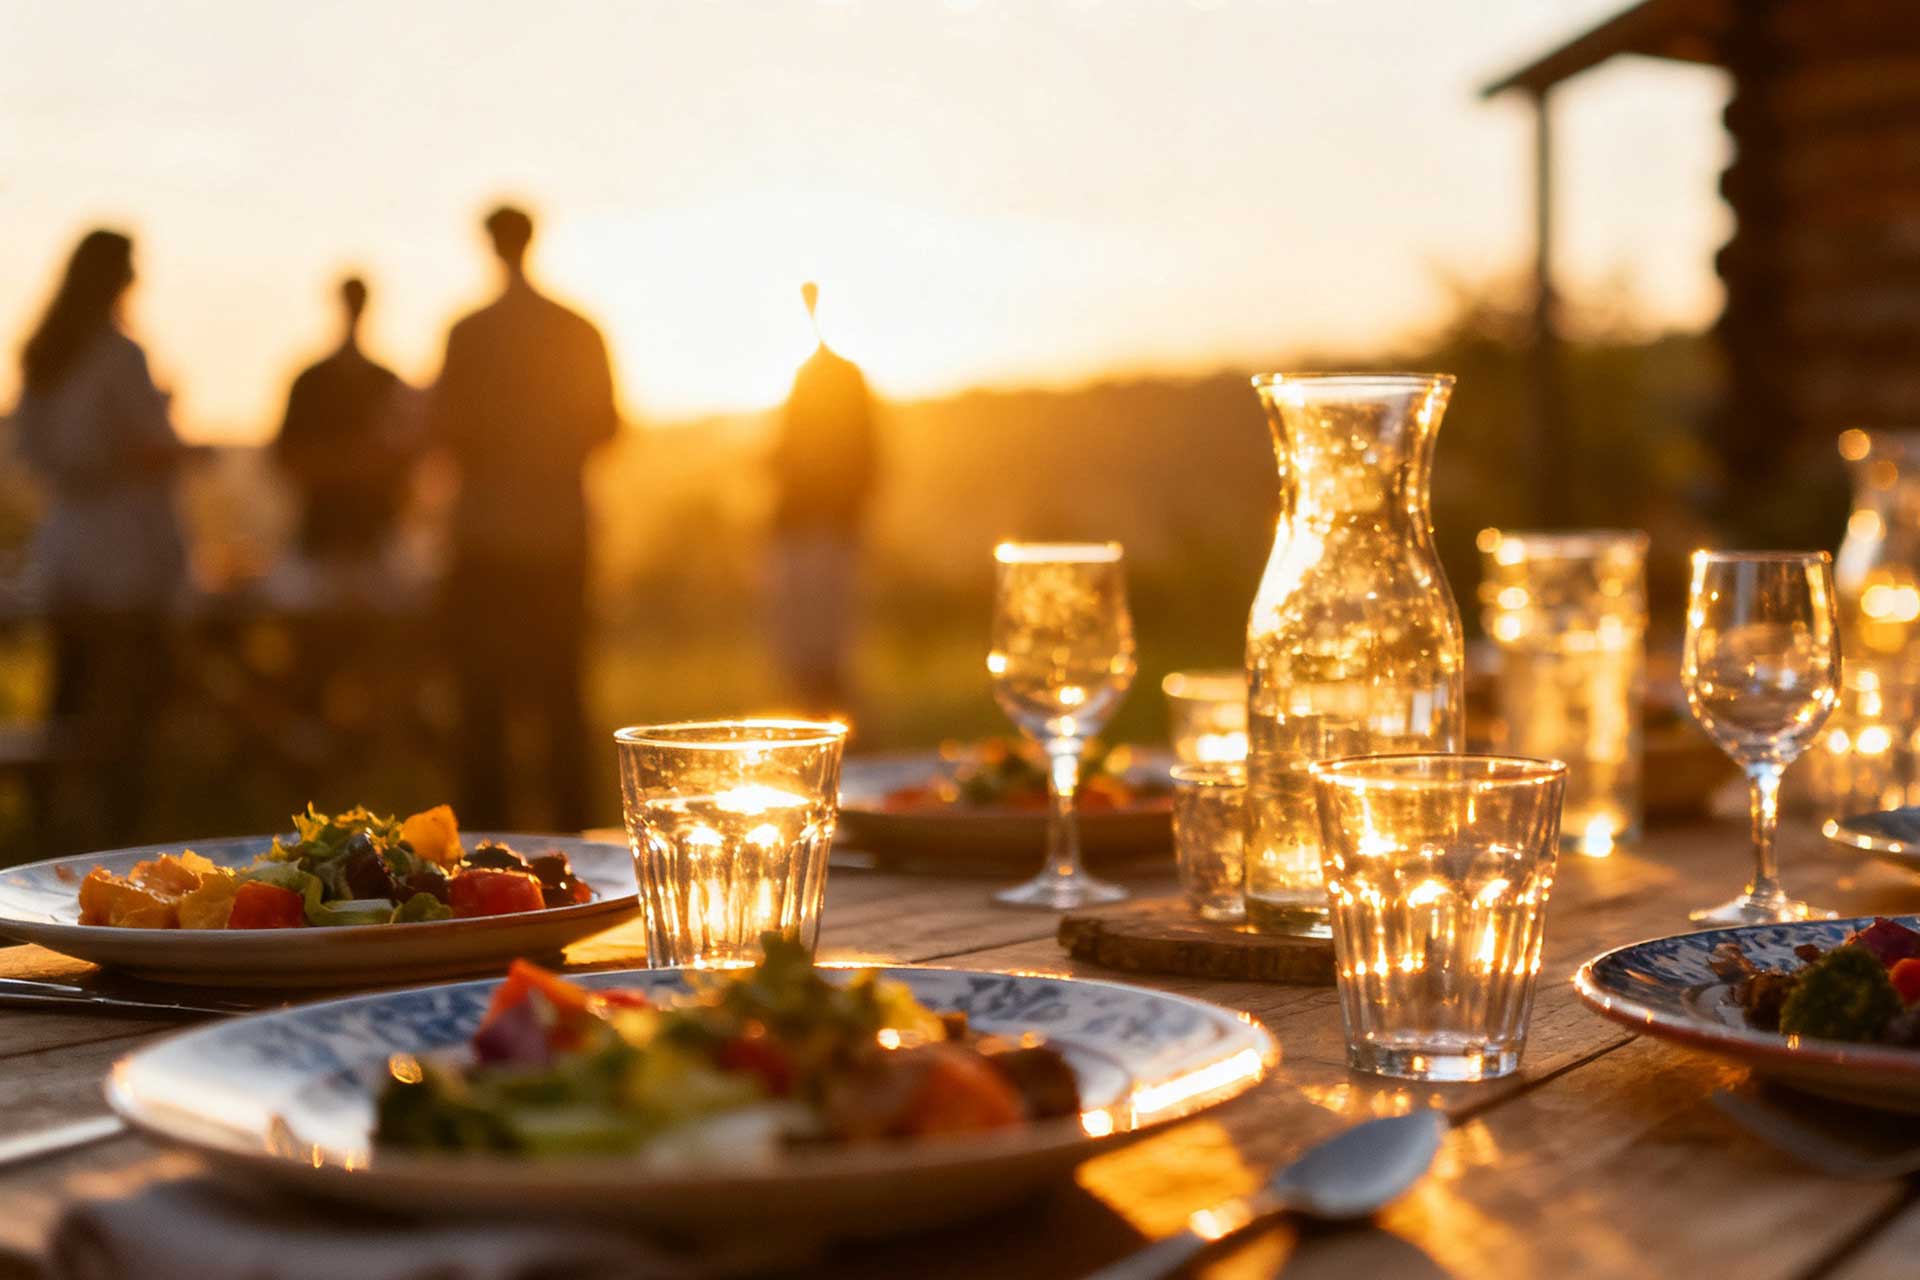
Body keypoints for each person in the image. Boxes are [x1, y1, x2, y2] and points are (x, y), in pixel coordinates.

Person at [426, 204, 617, 831]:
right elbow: (608, 426)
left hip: (485, 539)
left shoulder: (469, 333)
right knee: (561, 697)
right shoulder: (575, 328)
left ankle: (485, 850)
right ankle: (576, 846)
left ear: (489, 245)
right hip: (559, 536)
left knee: (483, 706)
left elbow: (444, 430)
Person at [11, 229, 191, 849]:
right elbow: (151, 445)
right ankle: (121, 845)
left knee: (69, 696)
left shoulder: (45, 353)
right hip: (124, 556)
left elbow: (28, 449)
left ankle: (47, 835)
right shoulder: (118, 355)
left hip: (65, 551)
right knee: (123, 715)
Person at [767, 281, 878, 713]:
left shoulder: (838, 378)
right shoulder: (808, 376)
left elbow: (861, 456)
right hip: (804, 524)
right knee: (800, 641)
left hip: (828, 525)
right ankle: (814, 722)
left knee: (823, 642)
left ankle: (833, 728)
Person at [272, 276, 414, 573]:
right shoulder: (312, 382)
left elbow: (405, 459)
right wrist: (346, 463)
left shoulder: (384, 381)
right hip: (321, 533)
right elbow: (286, 457)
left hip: (373, 535)